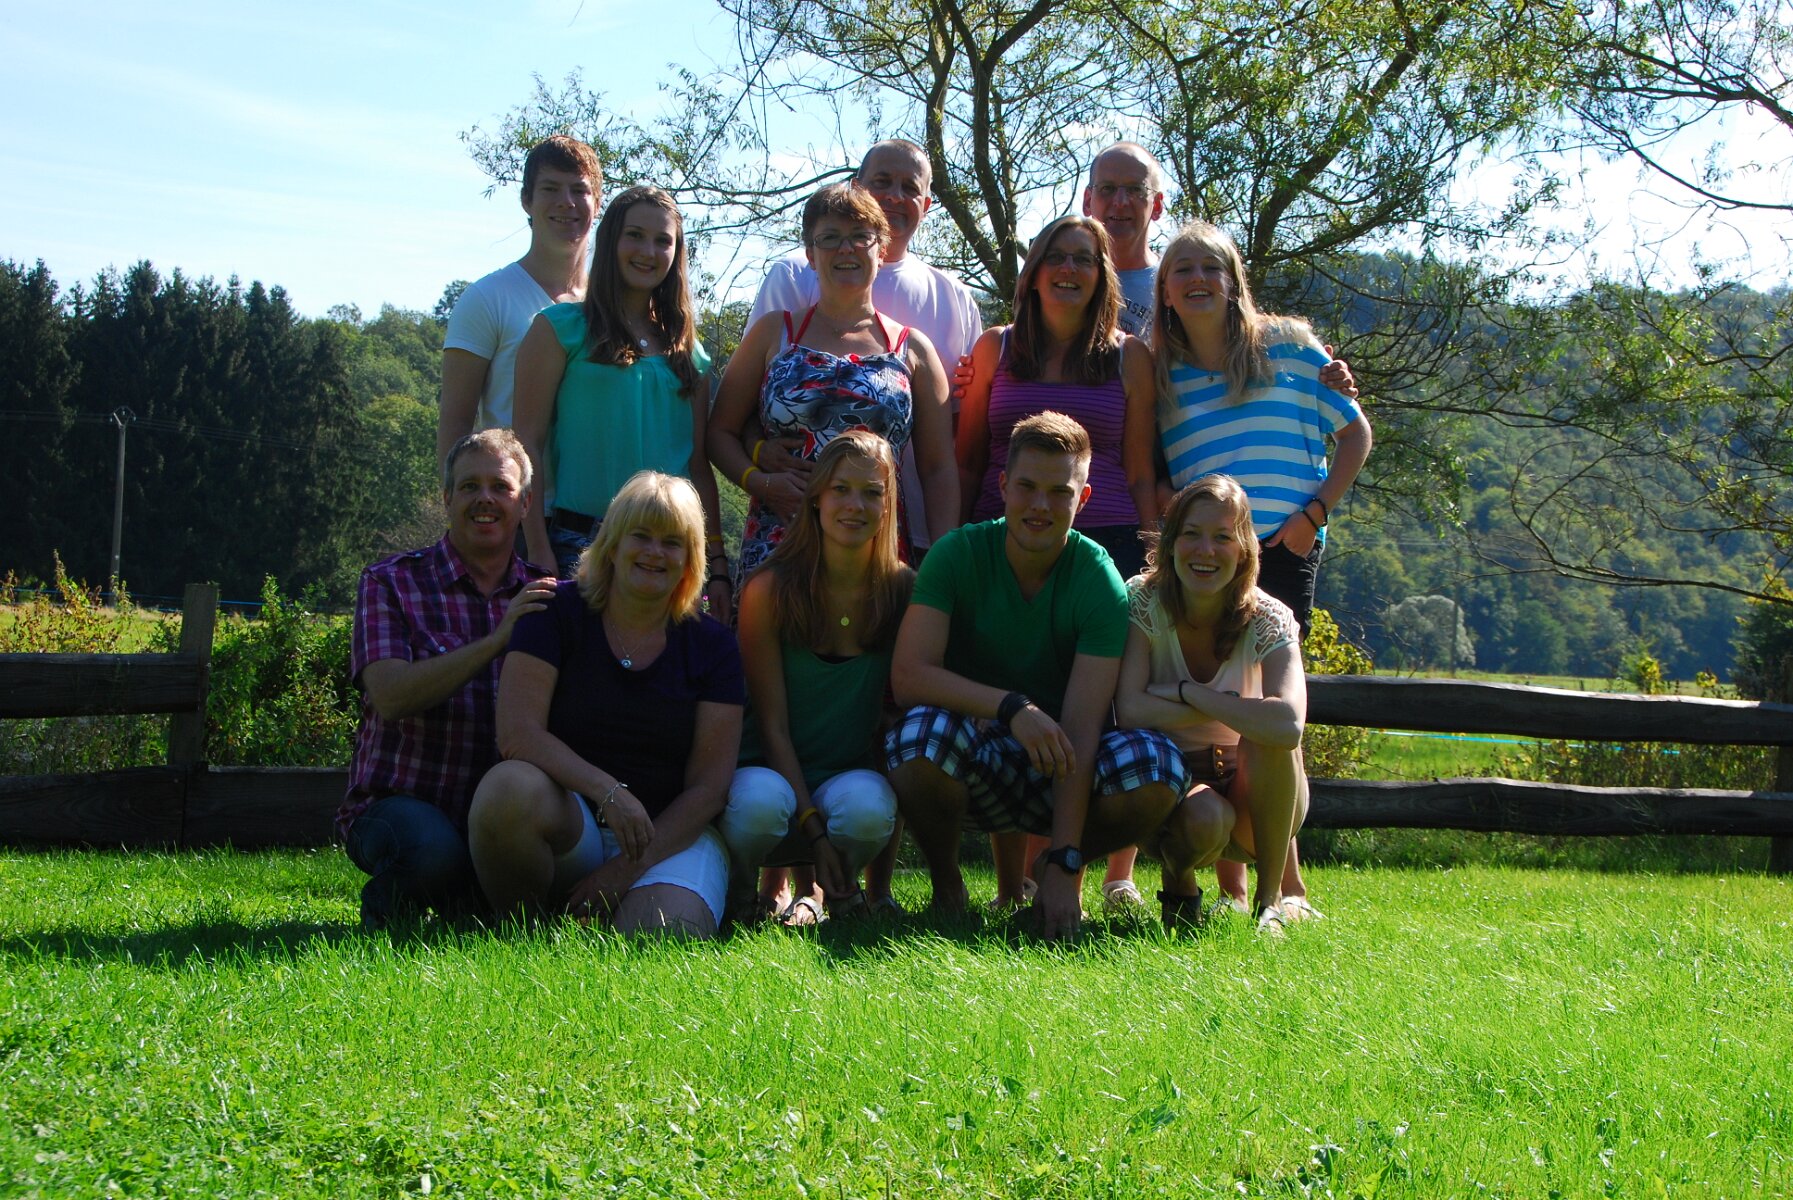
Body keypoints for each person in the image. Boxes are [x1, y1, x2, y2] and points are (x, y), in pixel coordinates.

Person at [885, 412, 1189, 940]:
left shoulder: (1098, 581)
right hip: (975, 755)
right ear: (1003, 486)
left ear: (1083, 499)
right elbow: (909, 677)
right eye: (1027, 487)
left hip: (1062, 762)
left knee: (1158, 766)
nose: (1040, 506)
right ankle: (947, 882)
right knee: (916, 739)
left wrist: (1067, 861)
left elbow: (1083, 729)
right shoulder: (956, 554)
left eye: (1059, 492)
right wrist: (1012, 708)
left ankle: (1052, 868)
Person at [1152, 219, 1374, 919]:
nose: (1197, 280)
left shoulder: (1291, 348)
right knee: (1224, 697)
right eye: (1181, 269)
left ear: (1233, 282)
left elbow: (1355, 433)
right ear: (1164, 290)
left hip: (1282, 547)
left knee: (1269, 705)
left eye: (1210, 268)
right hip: (1204, 554)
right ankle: (1232, 887)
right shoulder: (1161, 373)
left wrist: (1313, 516)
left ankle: (1288, 887)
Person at [955, 215, 1159, 911]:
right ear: (1034, 272)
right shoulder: (995, 347)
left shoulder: (1129, 358)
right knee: (1009, 692)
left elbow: (1138, 468)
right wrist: (954, 542)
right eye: (1056, 257)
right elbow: (968, 457)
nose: (1069, 270)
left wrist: (1150, 556)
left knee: (1091, 709)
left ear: (1103, 277)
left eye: (1085, 259)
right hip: (1002, 544)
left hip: (1103, 548)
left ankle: (1075, 868)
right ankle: (1009, 883)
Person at [466, 472, 744, 936]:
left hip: (667, 838)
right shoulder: (553, 612)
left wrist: (625, 871)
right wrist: (608, 792)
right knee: (505, 790)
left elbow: (708, 790)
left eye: (672, 543)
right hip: (571, 825)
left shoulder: (714, 646)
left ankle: (632, 905)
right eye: (641, 536)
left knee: (666, 934)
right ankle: (524, 931)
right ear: (612, 544)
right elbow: (517, 734)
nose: (654, 552)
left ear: (690, 560)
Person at [338, 429, 556, 929]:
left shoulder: (547, 598)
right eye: (469, 486)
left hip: (501, 815)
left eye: (500, 487)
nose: (485, 499)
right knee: (432, 851)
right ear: (446, 499)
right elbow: (390, 696)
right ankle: (391, 909)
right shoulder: (390, 582)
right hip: (399, 804)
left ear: (525, 504)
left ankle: (467, 901)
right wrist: (497, 641)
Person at [710, 181, 958, 581]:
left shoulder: (914, 350)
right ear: (810, 254)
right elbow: (720, 432)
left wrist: (944, 569)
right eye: (830, 238)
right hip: (779, 549)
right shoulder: (774, 333)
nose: (846, 248)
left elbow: (938, 469)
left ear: (881, 250)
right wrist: (760, 481)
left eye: (860, 236)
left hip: (876, 555)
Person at [748, 139, 983, 555]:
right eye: (882, 181)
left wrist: (946, 555)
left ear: (927, 203)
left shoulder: (955, 299)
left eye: (909, 187)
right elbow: (745, 409)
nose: (894, 196)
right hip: (787, 530)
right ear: (856, 187)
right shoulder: (794, 275)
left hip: (899, 537)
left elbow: (954, 444)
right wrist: (760, 458)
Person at [511, 185, 731, 617]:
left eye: (663, 240)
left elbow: (698, 465)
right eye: (635, 235)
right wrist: (537, 548)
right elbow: (526, 446)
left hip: (669, 554)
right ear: (611, 240)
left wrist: (718, 564)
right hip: (579, 546)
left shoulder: (691, 354)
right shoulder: (559, 329)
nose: (648, 251)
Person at [720, 431, 912, 924]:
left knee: (869, 811)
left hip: (844, 776)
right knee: (760, 806)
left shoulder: (903, 591)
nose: (855, 505)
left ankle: (842, 891)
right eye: (840, 489)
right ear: (816, 499)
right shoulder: (769, 589)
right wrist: (814, 831)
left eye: (872, 492)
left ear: (888, 506)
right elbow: (772, 727)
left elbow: (895, 722)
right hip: (766, 771)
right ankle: (739, 891)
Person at [1114, 475, 1310, 932]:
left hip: (1254, 793)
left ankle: (1269, 902)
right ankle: (1178, 880)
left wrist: (1190, 693)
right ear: (1170, 543)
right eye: (1191, 534)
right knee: (1206, 812)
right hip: (1169, 790)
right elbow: (1131, 710)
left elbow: (1288, 726)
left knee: (1267, 738)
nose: (1205, 551)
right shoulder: (1142, 598)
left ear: (1244, 550)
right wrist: (1237, 708)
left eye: (1222, 537)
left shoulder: (1269, 617)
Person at [437, 136, 601, 467]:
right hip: (515, 497)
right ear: (527, 200)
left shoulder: (610, 305)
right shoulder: (487, 298)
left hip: (601, 500)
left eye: (579, 190)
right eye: (550, 189)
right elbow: (455, 426)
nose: (566, 202)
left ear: (597, 203)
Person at [1082, 142, 1168, 338]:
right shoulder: (1063, 279)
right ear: (1087, 200)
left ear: (1156, 205)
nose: (1120, 202)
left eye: (1136, 189)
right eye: (1107, 188)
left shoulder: (1175, 283)